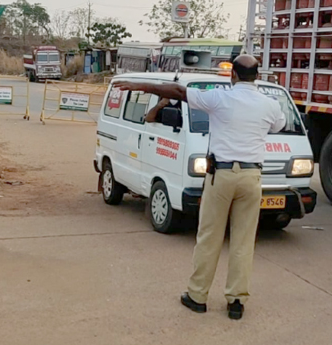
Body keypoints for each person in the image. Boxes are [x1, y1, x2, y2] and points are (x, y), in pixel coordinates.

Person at [113, 55, 286, 320]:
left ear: (233, 75)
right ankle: (236, 301)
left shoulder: (219, 97)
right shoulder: (270, 105)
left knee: (209, 237)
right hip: (252, 177)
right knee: (242, 241)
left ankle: (198, 296)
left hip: (222, 175)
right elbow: (277, 126)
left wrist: (139, 85)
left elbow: (177, 91)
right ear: (258, 76)